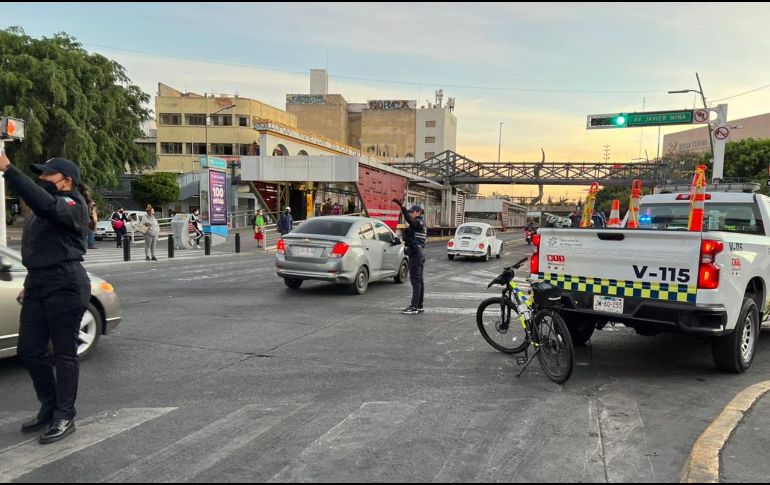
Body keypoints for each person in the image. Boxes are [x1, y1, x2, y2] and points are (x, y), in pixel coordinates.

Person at [0, 150, 91, 445]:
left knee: (63, 353)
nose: (41, 178)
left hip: (65, 283)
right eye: (38, 174)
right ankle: (49, 406)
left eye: (47, 174)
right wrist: (30, 280)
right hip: (39, 283)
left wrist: (9, 170)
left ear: (66, 181)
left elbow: (45, 203)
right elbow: (42, 247)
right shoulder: (45, 209)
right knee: (30, 349)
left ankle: (65, 414)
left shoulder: (73, 204)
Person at [393, 199, 427, 315]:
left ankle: (414, 307)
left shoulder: (418, 222)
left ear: (418, 212)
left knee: (416, 281)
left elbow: (410, 220)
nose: (411, 214)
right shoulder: (418, 224)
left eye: (412, 212)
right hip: (419, 253)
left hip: (416, 254)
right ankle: (419, 305)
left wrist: (402, 208)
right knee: (419, 281)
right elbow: (410, 237)